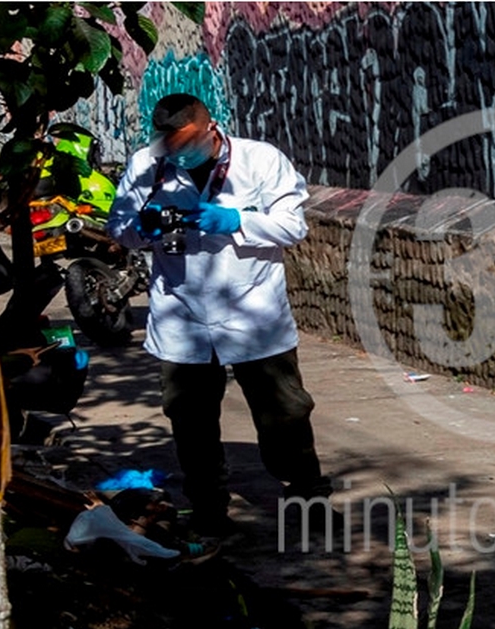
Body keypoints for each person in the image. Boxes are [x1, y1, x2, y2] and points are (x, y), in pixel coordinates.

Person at [107, 93, 331, 537]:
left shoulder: (260, 160)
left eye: (187, 144)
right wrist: (142, 228)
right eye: (169, 145)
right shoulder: (145, 166)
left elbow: (293, 225)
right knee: (190, 422)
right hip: (182, 316)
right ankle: (209, 509)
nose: (178, 154)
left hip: (253, 314)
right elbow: (120, 228)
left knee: (285, 414)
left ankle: (309, 500)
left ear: (211, 130)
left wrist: (236, 220)